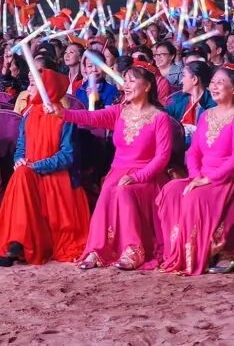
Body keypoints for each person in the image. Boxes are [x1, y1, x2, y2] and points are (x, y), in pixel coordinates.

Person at [156, 65, 234, 275]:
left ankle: (205, 253)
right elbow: (194, 152)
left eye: (220, 82)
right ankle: (178, 252)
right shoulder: (206, 115)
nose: (214, 86)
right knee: (171, 191)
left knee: (195, 197)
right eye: (212, 82)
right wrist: (196, 176)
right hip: (203, 177)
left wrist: (207, 180)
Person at [55, 62, 174, 270]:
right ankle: (98, 250)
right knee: (108, 191)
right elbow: (91, 117)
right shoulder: (120, 111)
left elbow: (162, 157)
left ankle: (133, 250)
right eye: (125, 81)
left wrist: (137, 177)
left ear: (147, 86)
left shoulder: (160, 118)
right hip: (118, 172)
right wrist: (63, 113)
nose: (126, 85)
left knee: (123, 191)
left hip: (147, 176)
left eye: (132, 81)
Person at [0, 69, 91, 267]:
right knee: (20, 174)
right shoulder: (29, 115)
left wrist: (36, 166)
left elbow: (67, 156)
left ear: (47, 89)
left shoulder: (64, 117)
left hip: (55, 175)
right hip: (30, 173)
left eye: (33, 85)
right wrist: (19, 161)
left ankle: (18, 243)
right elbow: (21, 147)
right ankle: (17, 242)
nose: (28, 89)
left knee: (22, 176)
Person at [164, 61, 215, 148]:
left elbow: (206, 136)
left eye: (184, 76)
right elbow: (163, 114)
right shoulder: (180, 99)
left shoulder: (212, 105)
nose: (181, 81)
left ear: (194, 79)